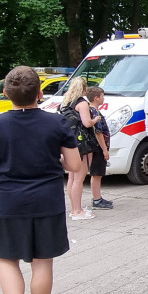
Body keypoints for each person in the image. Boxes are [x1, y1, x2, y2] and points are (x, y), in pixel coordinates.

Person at [0, 65, 82, 294]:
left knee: (7, 258)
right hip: (47, 201)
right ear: (41, 92)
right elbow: (74, 165)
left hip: (10, 202)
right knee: (42, 261)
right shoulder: (57, 123)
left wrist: (4, 165)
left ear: (7, 93)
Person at [60, 77, 97, 218]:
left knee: (71, 177)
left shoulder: (66, 102)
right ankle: (78, 211)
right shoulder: (82, 103)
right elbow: (87, 123)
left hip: (70, 142)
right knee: (79, 178)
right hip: (82, 144)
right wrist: (96, 119)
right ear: (84, 88)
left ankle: (73, 209)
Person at [86, 86, 114, 209]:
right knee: (97, 173)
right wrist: (104, 149)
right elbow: (98, 132)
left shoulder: (91, 110)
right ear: (96, 98)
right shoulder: (94, 112)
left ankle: (98, 197)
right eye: (102, 96)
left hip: (96, 146)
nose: (104, 98)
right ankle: (96, 199)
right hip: (97, 147)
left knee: (98, 173)